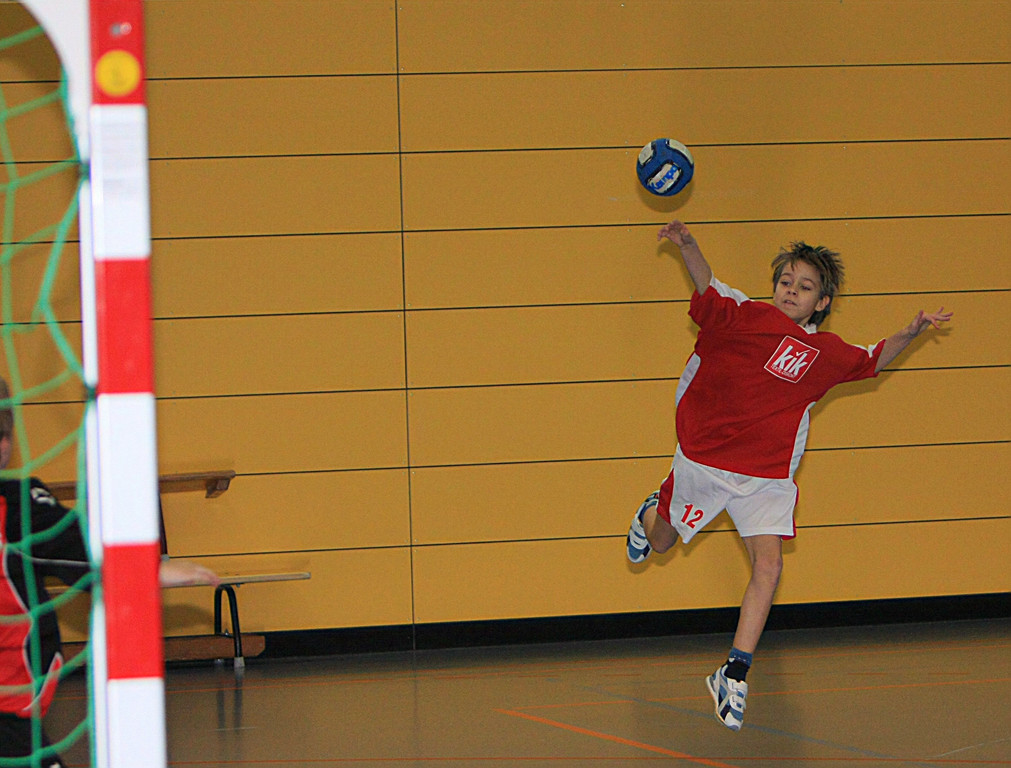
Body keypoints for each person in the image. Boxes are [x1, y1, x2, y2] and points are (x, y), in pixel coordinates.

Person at [626, 220, 951, 732]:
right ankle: (649, 513)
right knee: (662, 541)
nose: (791, 291)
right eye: (785, 282)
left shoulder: (825, 354)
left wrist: (911, 332)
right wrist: (688, 245)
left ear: (822, 302)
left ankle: (734, 671)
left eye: (804, 287)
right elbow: (707, 284)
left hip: (766, 476)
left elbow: (871, 360)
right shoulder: (745, 315)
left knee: (770, 567)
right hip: (706, 461)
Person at [0, 377, 218, 766]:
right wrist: (147, 571)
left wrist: (146, 570)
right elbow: (75, 547)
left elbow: (74, 546)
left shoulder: (18, 508)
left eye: (4, 432)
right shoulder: (15, 507)